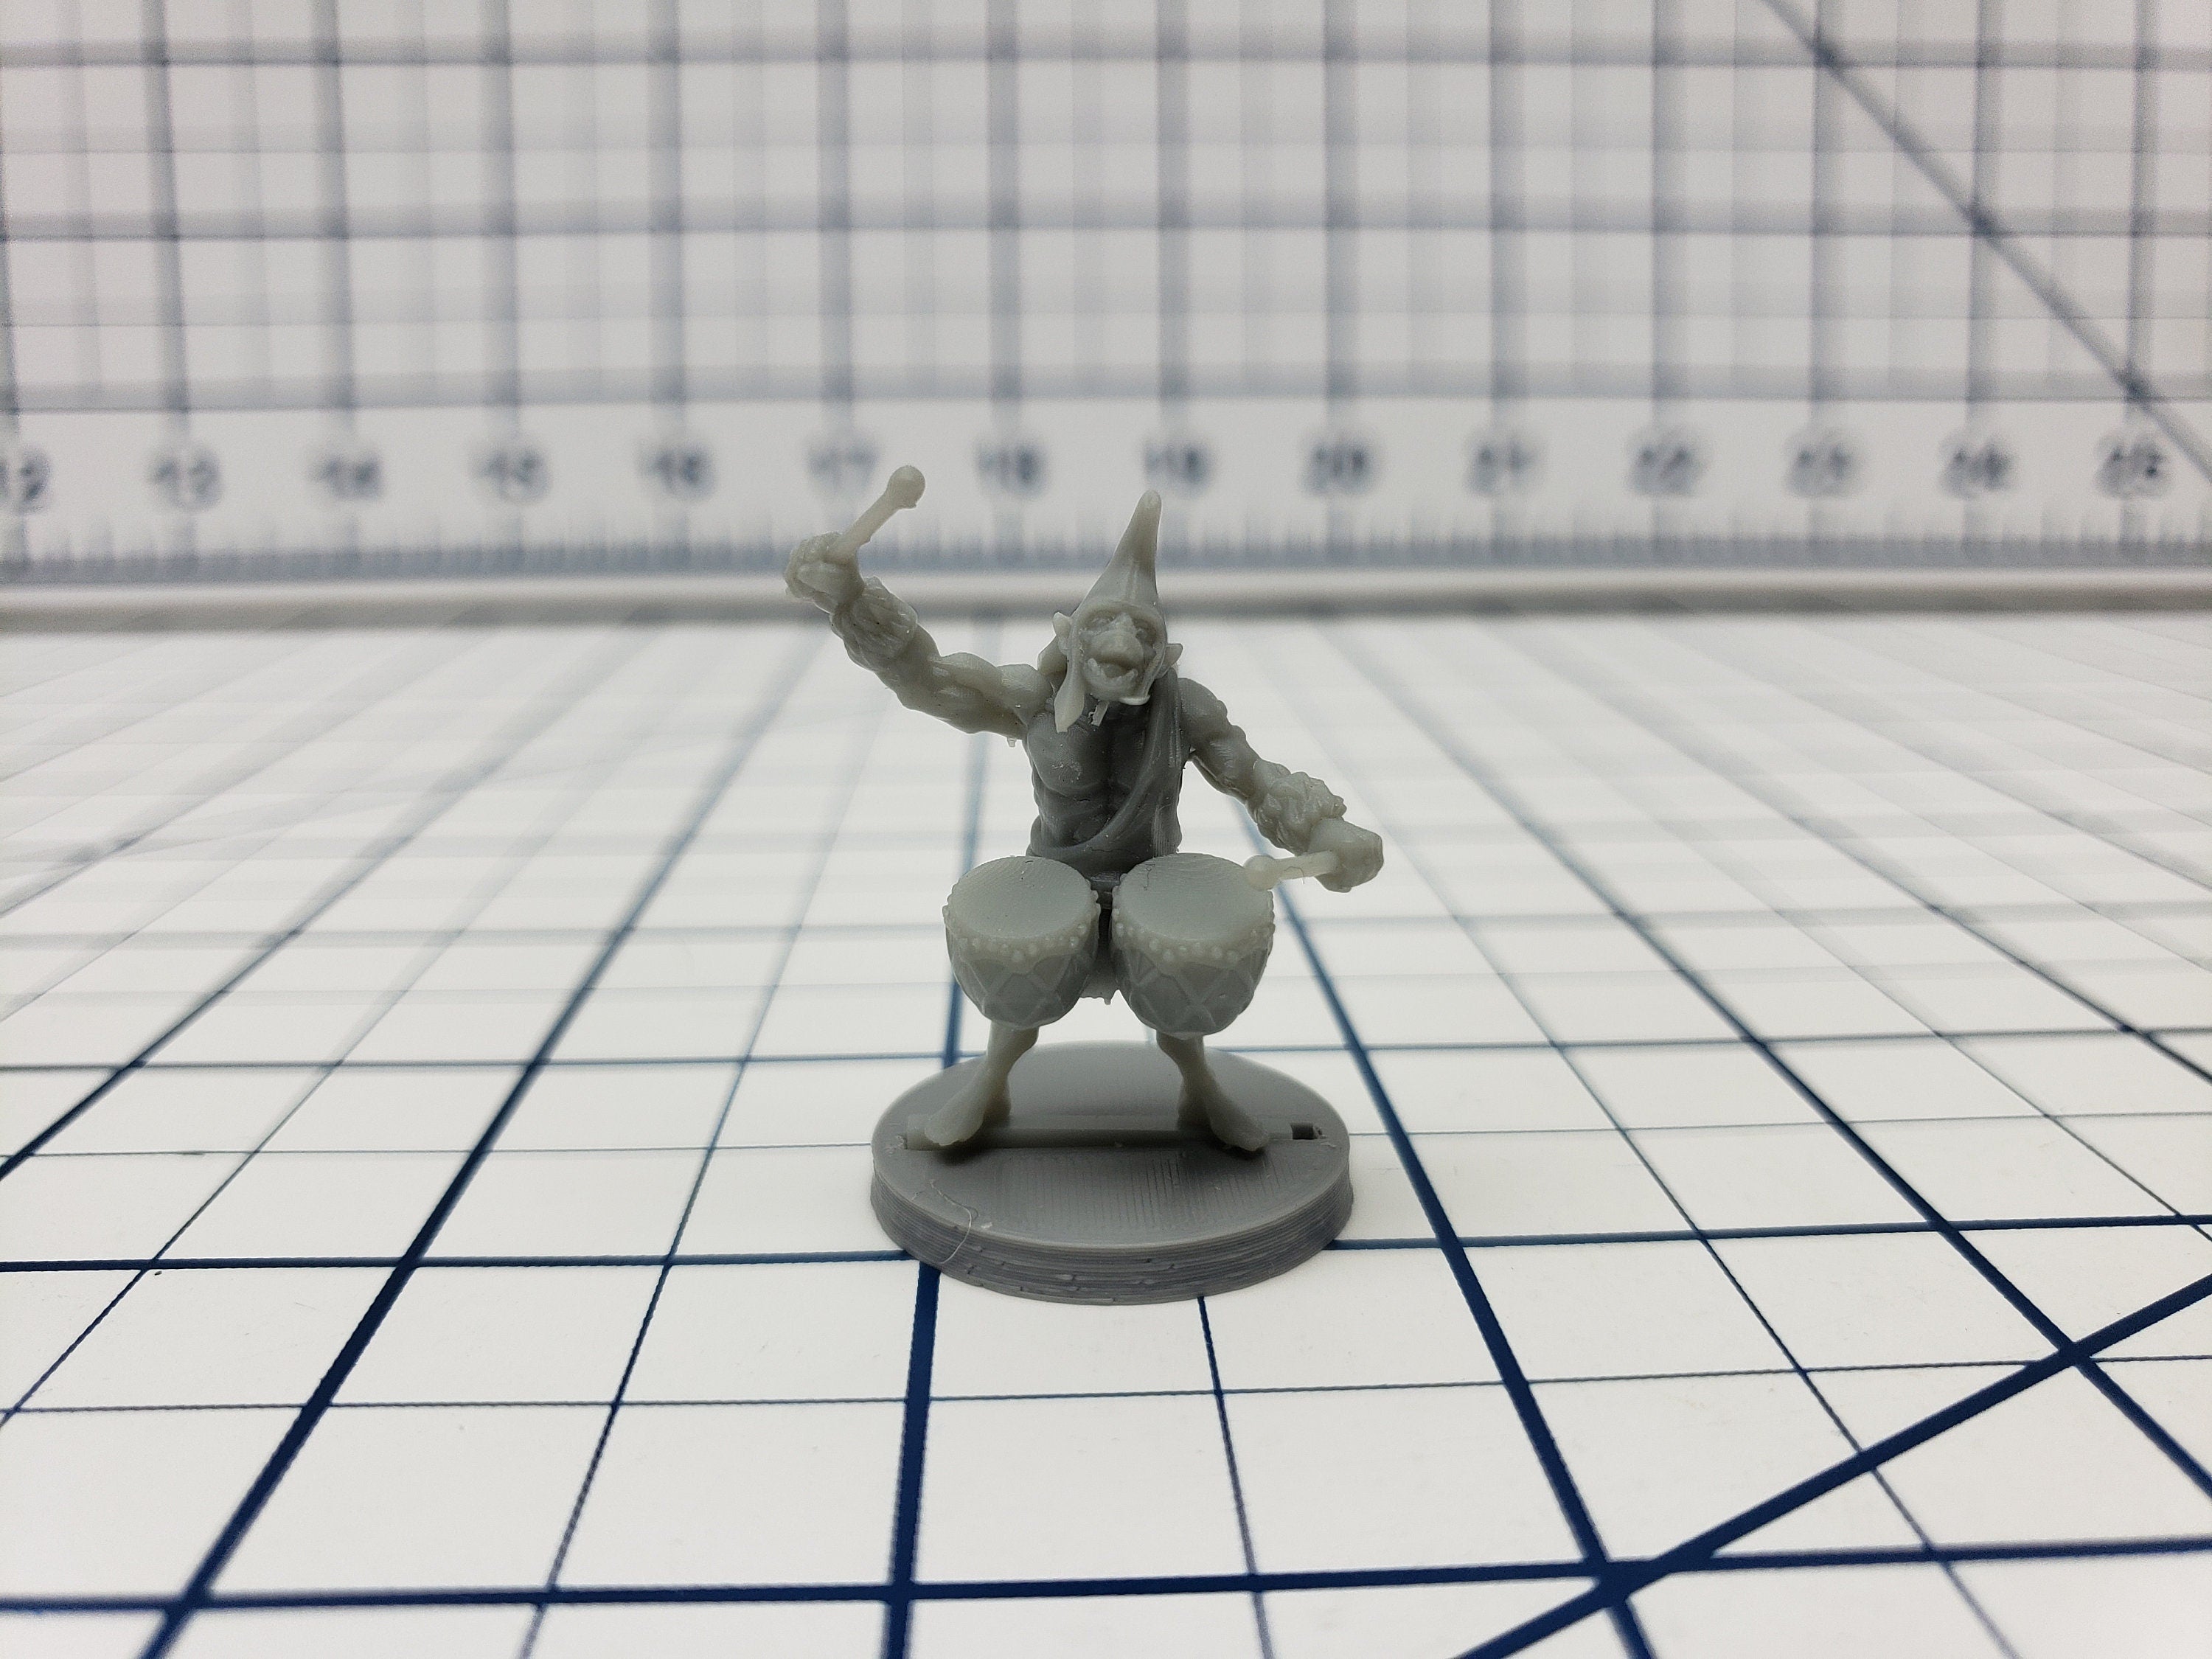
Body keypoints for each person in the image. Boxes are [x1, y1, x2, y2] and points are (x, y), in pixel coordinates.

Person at [787, 475, 1382, 1152]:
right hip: (1055, 879)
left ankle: (1200, 1090)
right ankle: (990, 1086)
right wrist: (851, 600)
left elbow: (1253, 776)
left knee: (1183, 1000)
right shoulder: (1031, 699)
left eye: (1142, 632)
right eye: (1104, 623)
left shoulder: (1185, 709)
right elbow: (931, 681)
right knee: (1016, 1004)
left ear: (1164, 655)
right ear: (1070, 636)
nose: (1121, 642)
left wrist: (1323, 829)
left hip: (1151, 884)